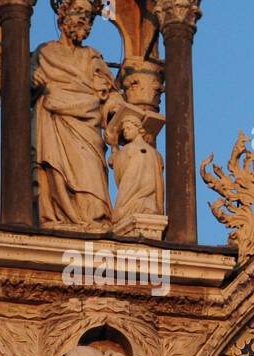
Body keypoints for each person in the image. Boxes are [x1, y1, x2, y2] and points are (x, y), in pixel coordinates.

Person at [34, 0, 123, 229]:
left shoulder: (92, 57)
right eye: (78, 12)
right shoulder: (45, 53)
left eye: (89, 16)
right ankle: (58, 218)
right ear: (63, 15)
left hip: (87, 130)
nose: (84, 19)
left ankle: (93, 223)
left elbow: (109, 95)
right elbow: (19, 84)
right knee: (56, 174)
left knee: (92, 189)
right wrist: (31, 80)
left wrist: (116, 108)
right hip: (55, 124)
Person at [108, 107, 164, 221]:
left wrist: (114, 145)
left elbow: (114, 162)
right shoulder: (156, 154)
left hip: (132, 203)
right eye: (124, 130)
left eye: (128, 128)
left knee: (117, 217)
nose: (125, 132)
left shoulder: (129, 149)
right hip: (151, 204)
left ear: (138, 129)